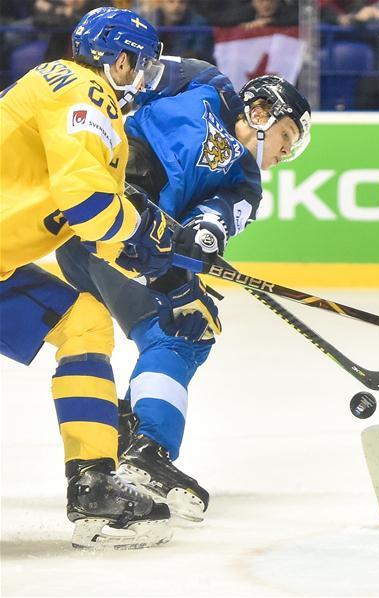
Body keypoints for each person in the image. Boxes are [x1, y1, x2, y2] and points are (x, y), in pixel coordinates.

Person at [55, 61, 312, 522]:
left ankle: (125, 426)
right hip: (97, 211)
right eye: (287, 137)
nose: (284, 153)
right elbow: (123, 80)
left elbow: (211, 225)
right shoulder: (202, 81)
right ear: (262, 112)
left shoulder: (244, 185)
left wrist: (200, 237)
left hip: (114, 239)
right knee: (181, 331)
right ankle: (147, 448)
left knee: (179, 323)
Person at [0, 6, 175, 549]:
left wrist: (161, 264)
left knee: (85, 323)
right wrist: (148, 230)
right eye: (138, 65)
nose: (139, 78)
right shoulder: (85, 88)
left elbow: (96, 223)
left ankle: (94, 482)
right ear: (118, 59)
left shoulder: (63, 90)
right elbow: (89, 203)